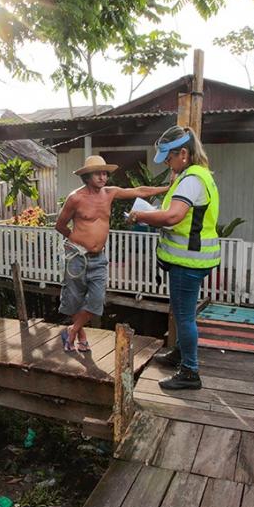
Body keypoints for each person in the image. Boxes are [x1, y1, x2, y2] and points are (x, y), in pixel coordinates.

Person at [128, 126, 220, 390]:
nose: (167, 162)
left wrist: (140, 216)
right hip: (195, 257)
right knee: (184, 313)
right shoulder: (199, 175)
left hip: (187, 261)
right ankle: (180, 354)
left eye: (168, 157)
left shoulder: (191, 179)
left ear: (184, 153)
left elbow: (172, 216)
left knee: (184, 317)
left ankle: (190, 371)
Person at [55, 155, 169, 353]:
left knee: (97, 300)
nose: (103, 177)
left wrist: (168, 188)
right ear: (87, 176)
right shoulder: (76, 198)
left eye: (105, 173)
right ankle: (80, 337)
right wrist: (77, 242)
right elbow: (60, 225)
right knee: (74, 299)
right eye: (98, 173)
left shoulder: (109, 193)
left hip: (98, 258)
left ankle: (72, 330)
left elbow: (140, 191)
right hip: (77, 258)